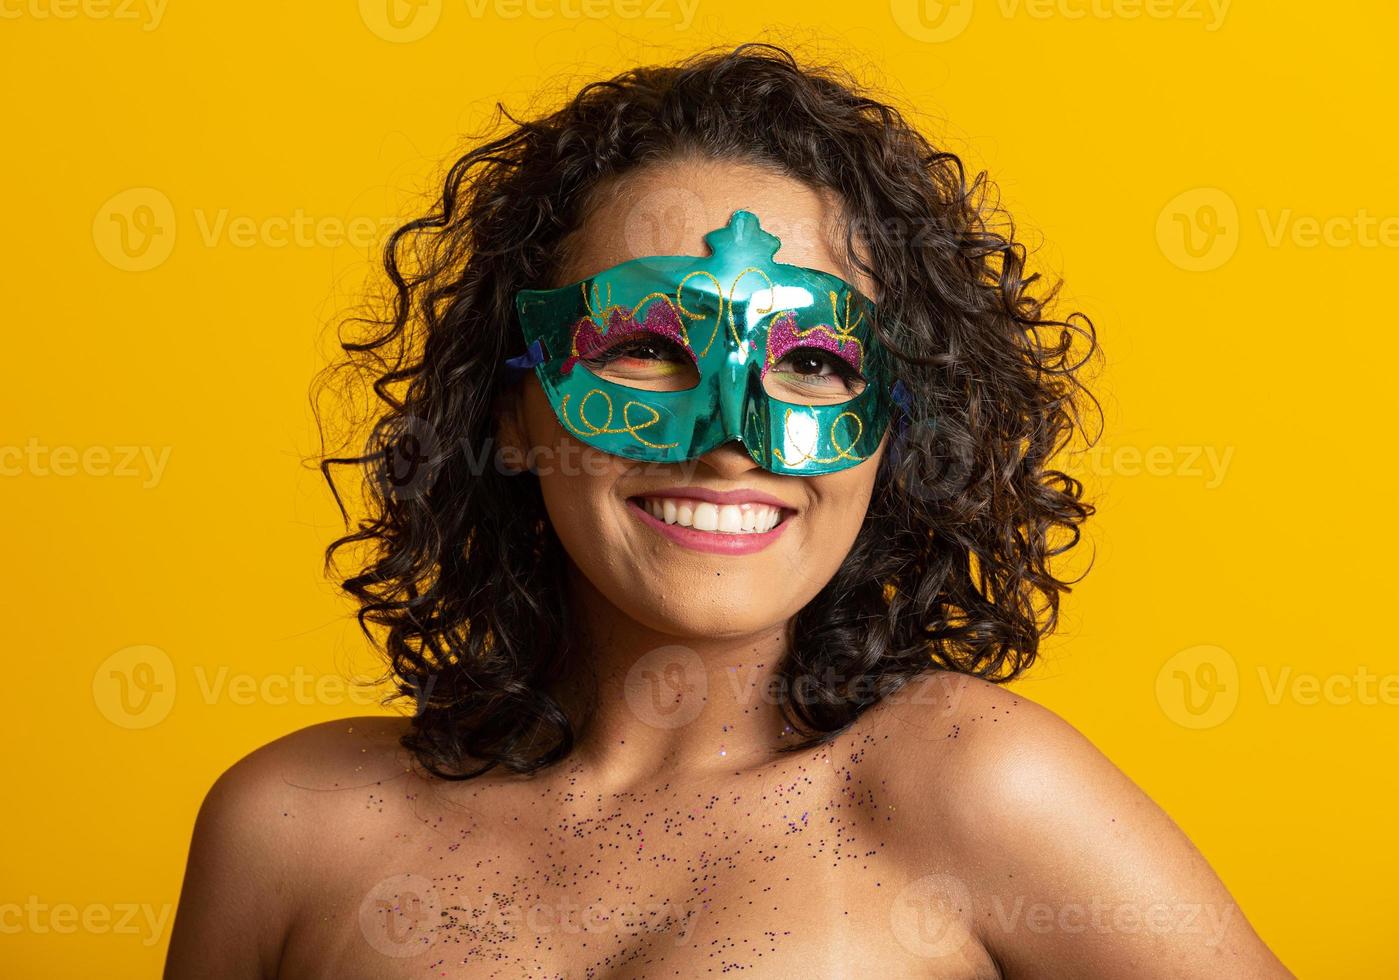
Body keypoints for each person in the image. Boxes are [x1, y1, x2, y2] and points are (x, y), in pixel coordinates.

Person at [164, 43, 1293, 978]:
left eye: (811, 362)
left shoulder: (976, 789)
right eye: (650, 346)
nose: (731, 436)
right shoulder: (288, 826)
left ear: (894, 425)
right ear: (512, 407)